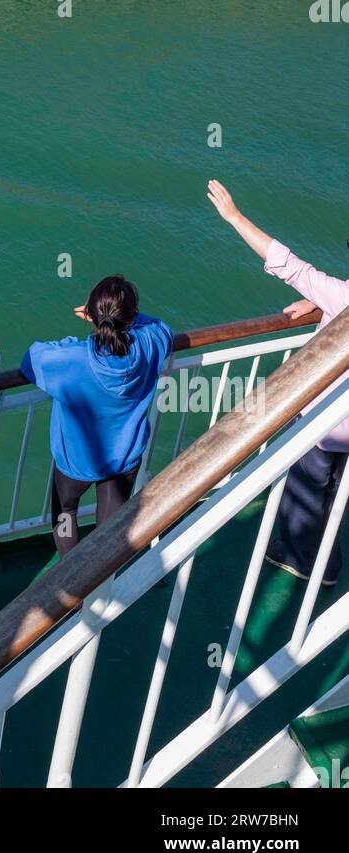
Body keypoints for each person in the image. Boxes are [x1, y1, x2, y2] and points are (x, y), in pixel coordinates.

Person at [207, 179, 349, 584]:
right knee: (334, 493)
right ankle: (328, 561)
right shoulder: (338, 296)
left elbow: (287, 264)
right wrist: (322, 300)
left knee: (306, 487)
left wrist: (234, 216)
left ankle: (302, 560)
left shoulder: (341, 298)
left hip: (326, 420)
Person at [20, 277, 172, 558]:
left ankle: (71, 584)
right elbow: (161, 327)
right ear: (132, 317)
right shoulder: (151, 342)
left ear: (91, 314)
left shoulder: (73, 359)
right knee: (108, 534)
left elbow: (31, 357)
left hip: (75, 462)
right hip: (124, 461)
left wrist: (73, 338)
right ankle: (99, 590)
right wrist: (126, 317)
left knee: (65, 513)